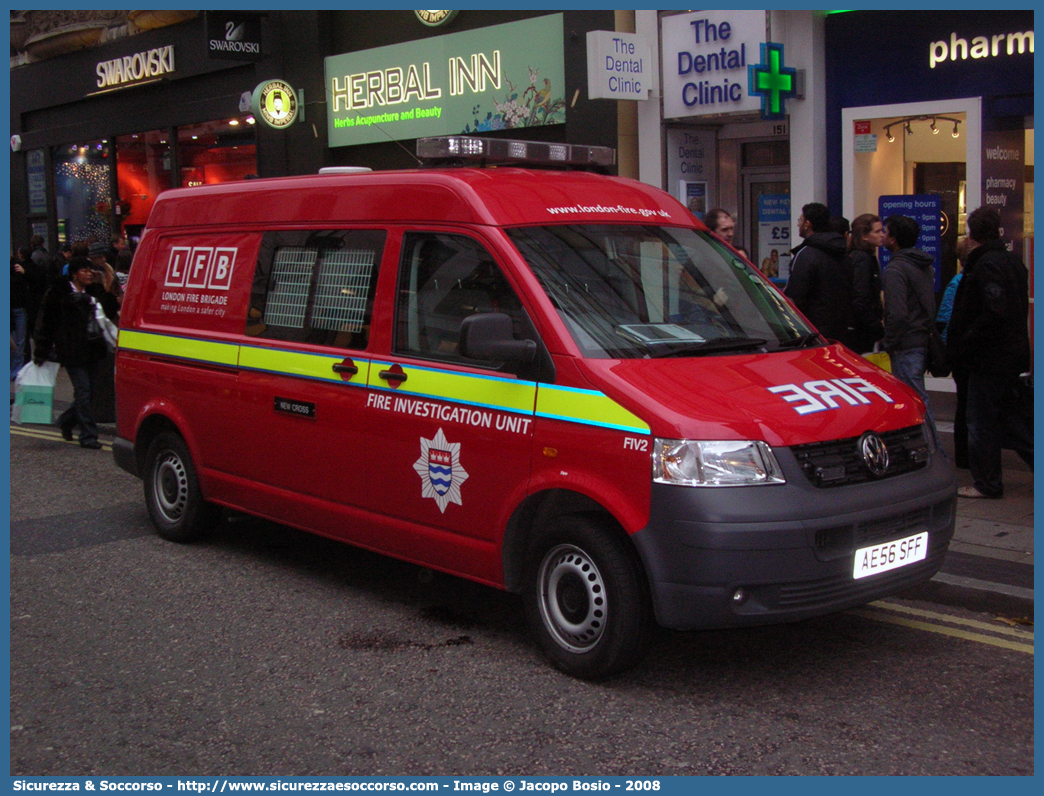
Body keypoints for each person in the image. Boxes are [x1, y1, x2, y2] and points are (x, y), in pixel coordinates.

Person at [946, 207, 1032, 498]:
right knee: (1013, 420)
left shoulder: (985, 265)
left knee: (982, 420)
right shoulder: (1012, 262)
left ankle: (987, 482)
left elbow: (994, 312)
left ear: (972, 234)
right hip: (1009, 355)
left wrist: (967, 339)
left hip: (989, 358)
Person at [32, 257, 118, 449]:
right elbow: (46, 322)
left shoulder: (94, 290)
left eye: (90, 271)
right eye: (84, 271)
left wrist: (94, 297)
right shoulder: (58, 292)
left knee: (90, 394)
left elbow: (111, 308)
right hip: (72, 351)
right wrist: (41, 350)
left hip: (94, 350)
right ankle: (88, 435)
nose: (88, 274)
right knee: (83, 391)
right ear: (73, 274)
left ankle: (66, 421)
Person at [880, 214, 939, 444]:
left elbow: (897, 313)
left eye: (885, 231)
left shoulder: (896, 269)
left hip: (905, 344)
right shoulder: (922, 265)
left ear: (894, 239)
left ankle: (934, 452)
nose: (883, 236)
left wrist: (889, 342)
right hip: (920, 339)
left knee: (915, 401)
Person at [784, 202, 850, 341]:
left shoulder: (806, 255)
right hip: (841, 329)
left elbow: (794, 296)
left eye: (800, 220)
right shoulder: (842, 252)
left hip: (813, 331)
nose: (798, 224)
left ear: (807, 223)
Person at [845, 213, 885, 353]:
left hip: (862, 328)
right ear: (864, 236)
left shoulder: (865, 257)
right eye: (877, 231)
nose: (882, 235)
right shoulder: (862, 259)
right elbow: (860, 297)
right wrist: (876, 326)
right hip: (861, 331)